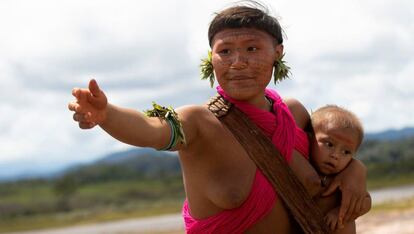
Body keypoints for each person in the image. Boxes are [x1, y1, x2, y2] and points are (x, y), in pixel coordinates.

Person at [68, 3, 370, 233]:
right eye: (225, 51)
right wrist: (107, 115)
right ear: (211, 58)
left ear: (277, 53)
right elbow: (151, 130)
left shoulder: (295, 114)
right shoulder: (198, 122)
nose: (238, 62)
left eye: (252, 48)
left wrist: (356, 173)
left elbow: (337, 153)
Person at [306, 105, 371, 233]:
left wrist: (339, 213)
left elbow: (366, 202)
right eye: (329, 144)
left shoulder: (343, 179)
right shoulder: (303, 167)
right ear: (309, 137)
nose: (335, 155)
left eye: (346, 152)